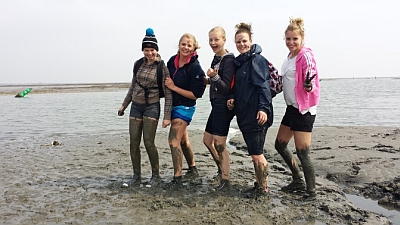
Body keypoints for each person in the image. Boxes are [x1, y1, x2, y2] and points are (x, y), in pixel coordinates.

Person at [118, 28, 172, 187]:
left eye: (152, 49)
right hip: (136, 106)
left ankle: (156, 176)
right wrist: (124, 105)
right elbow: (133, 86)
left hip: (152, 107)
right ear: (143, 50)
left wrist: (167, 115)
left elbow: (168, 93)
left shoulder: (162, 67)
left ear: (157, 50)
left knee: (149, 142)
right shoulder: (137, 64)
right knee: (133, 142)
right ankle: (136, 176)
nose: (149, 53)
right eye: (146, 50)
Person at [274, 17, 320, 198]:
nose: (291, 42)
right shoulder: (289, 57)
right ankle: (297, 179)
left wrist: (308, 86)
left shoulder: (306, 56)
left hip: (304, 110)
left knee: (303, 152)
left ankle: (311, 192)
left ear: (302, 39)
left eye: (295, 39)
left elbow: (310, 79)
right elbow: (283, 81)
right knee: (280, 144)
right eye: (288, 39)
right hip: (291, 108)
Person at [227, 23, 273, 200]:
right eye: (238, 42)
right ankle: (259, 184)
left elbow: (264, 87)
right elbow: (239, 88)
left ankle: (264, 189)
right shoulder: (240, 63)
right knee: (255, 153)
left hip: (257, 115)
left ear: (251, 41)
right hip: (244, 115)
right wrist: (232, 98)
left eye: (244, 41)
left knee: (257, 154)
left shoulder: (257, 60)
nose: (241, 44)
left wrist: (263, 109)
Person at [163, 33, 206, 190]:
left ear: (194, 47)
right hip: (173, 105)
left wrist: (174, 87)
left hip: (186, 107)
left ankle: (177, 177)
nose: (186, 47)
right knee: (183, 140)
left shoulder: (195, 67)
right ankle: (193, 167)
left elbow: (196, 94)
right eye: (183, 44)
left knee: (173, 140)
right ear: (179, 45)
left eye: (189, 45)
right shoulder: (171, 62)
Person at [202, 26, 235, 190]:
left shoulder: (228, 60)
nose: (213, 43)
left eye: (216, 39)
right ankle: (222, 168)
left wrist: (213, 76)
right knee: (207, 141)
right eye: (211, 40)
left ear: (224, 40)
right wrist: (207, 81)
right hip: (215, 104)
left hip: (223, 105)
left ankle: (226, 180)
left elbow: (226, 88)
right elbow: (217, 83)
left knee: (220, 144)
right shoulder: (216, 58)